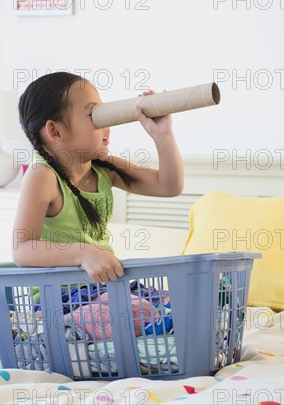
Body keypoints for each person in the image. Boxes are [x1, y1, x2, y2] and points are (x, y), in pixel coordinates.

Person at [12, 72, 183, 283]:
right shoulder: (43, 176)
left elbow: (169, 187)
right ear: (55, 132)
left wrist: (163, 135)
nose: (107, 126)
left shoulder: (106, 169)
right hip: (61, 296)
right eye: (95, 115)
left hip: (102, 290)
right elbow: (22, 249)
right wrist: (84, 253)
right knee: (138, 311)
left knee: (163, 307)